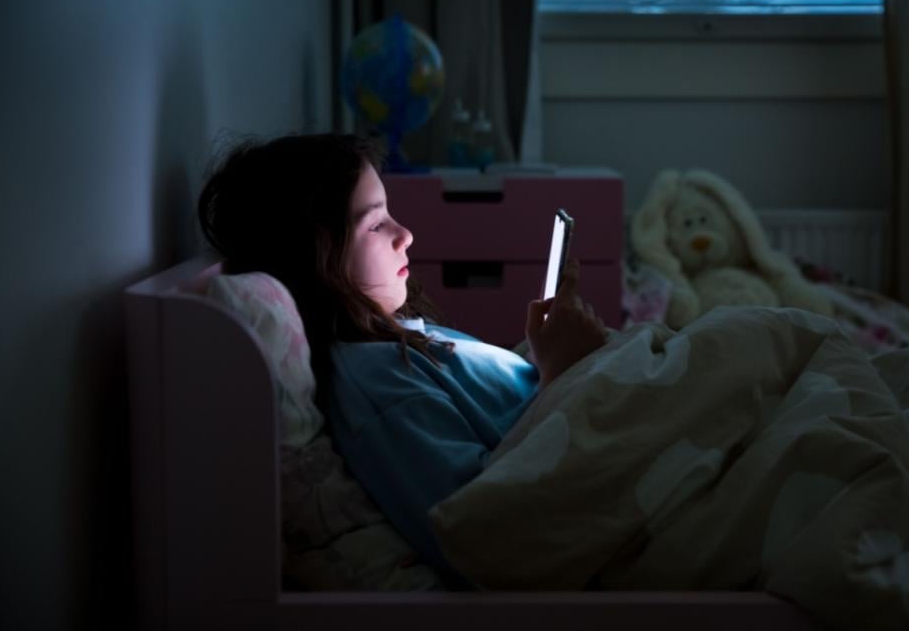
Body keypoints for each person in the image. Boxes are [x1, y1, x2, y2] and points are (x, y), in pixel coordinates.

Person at [197, 132, 608, 583]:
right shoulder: (377, 381)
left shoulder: (398, 339)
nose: (406, 235)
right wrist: (562, 375)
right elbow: (488, 524)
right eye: (376, 225)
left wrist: (545, 354)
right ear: (315, 257)